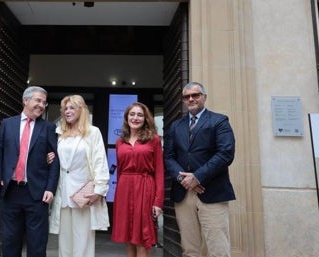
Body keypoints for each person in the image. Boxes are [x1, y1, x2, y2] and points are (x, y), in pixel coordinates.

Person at [163, 81, 236, 257]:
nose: (191, 99)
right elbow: (169, 157)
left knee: (218, 247)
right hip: (184, 194)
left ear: (204, 97)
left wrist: (197, 177)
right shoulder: (176, 126)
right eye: (187, 97)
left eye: (195, 95)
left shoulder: (219, 121)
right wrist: (184, 180)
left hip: (213, 192)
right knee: (190, 249)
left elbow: (226, 153)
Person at [0, 86, 60, 257]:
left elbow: (55, 160)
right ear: (26, 100)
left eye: (44, 102)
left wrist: (50, 188)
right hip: (11, 191)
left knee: (37, 244)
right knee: (10, 241)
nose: (41, 105)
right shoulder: (8, 124)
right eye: (38, 100)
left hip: (36, 193)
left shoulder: (48, 128)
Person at [49, 95, 110, 257]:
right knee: (65, 243)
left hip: (84, 194)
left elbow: (100, 161)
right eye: (65, 109)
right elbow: (56, 159)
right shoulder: (59, 133)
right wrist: (50, 158)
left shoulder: (92, 132)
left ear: (81, 110)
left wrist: (99, 190)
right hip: (63, 193)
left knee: (83, 242)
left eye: (72, 108)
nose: (67, 112)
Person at [111, 102, 164, 257]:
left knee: (142, 237)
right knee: (128, 238)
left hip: (145, 188)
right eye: (132, 114)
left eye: (140, 115)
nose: (135, 118)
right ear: (127, 117)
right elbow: (119, 170)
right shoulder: (119, 142)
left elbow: (160, 172)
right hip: (124, 190)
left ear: (145, 118)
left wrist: (158, 201)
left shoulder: (153, 140)